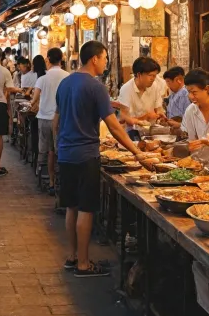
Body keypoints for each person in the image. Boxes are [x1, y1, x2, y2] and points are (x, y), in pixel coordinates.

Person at [53, 41, 155, 277]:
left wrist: (60, 145)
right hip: (86, 155)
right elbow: (115, 127)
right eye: (105, 58)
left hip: (66, 153)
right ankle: (83, 264)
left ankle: (72, 256)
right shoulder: (95, 86)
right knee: (86, 209)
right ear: (94, 59)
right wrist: (137, 152)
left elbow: (56, 120)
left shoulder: (65, 83)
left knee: (71, 207)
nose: (106, 63)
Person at [31, 47, 70, 195]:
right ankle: (60, 183)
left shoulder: (42, 79)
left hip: (44, 118)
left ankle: (47, 180)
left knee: (47, 151)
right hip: (61, 120)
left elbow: (34, 99)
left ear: (48, 59)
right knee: (59, 151)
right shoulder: (67, 77)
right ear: (62, 59)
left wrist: (33, 104)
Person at [117, 57, 165, 138]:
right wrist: (146, 117)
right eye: (150, 75)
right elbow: (124, 118)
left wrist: (160, 114)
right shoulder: (126, 89)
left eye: (155, 76)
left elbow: (158, 108)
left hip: (151, 131)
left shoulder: (155, 86)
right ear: (139, 75)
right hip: (132, 132)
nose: (153, 79)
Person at [163, 67, 190, 131]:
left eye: (168, 81)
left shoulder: (184, 94)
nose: (167, 85)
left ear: (177, 80)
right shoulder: (173, 94)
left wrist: (179, 124)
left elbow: (188, 118)